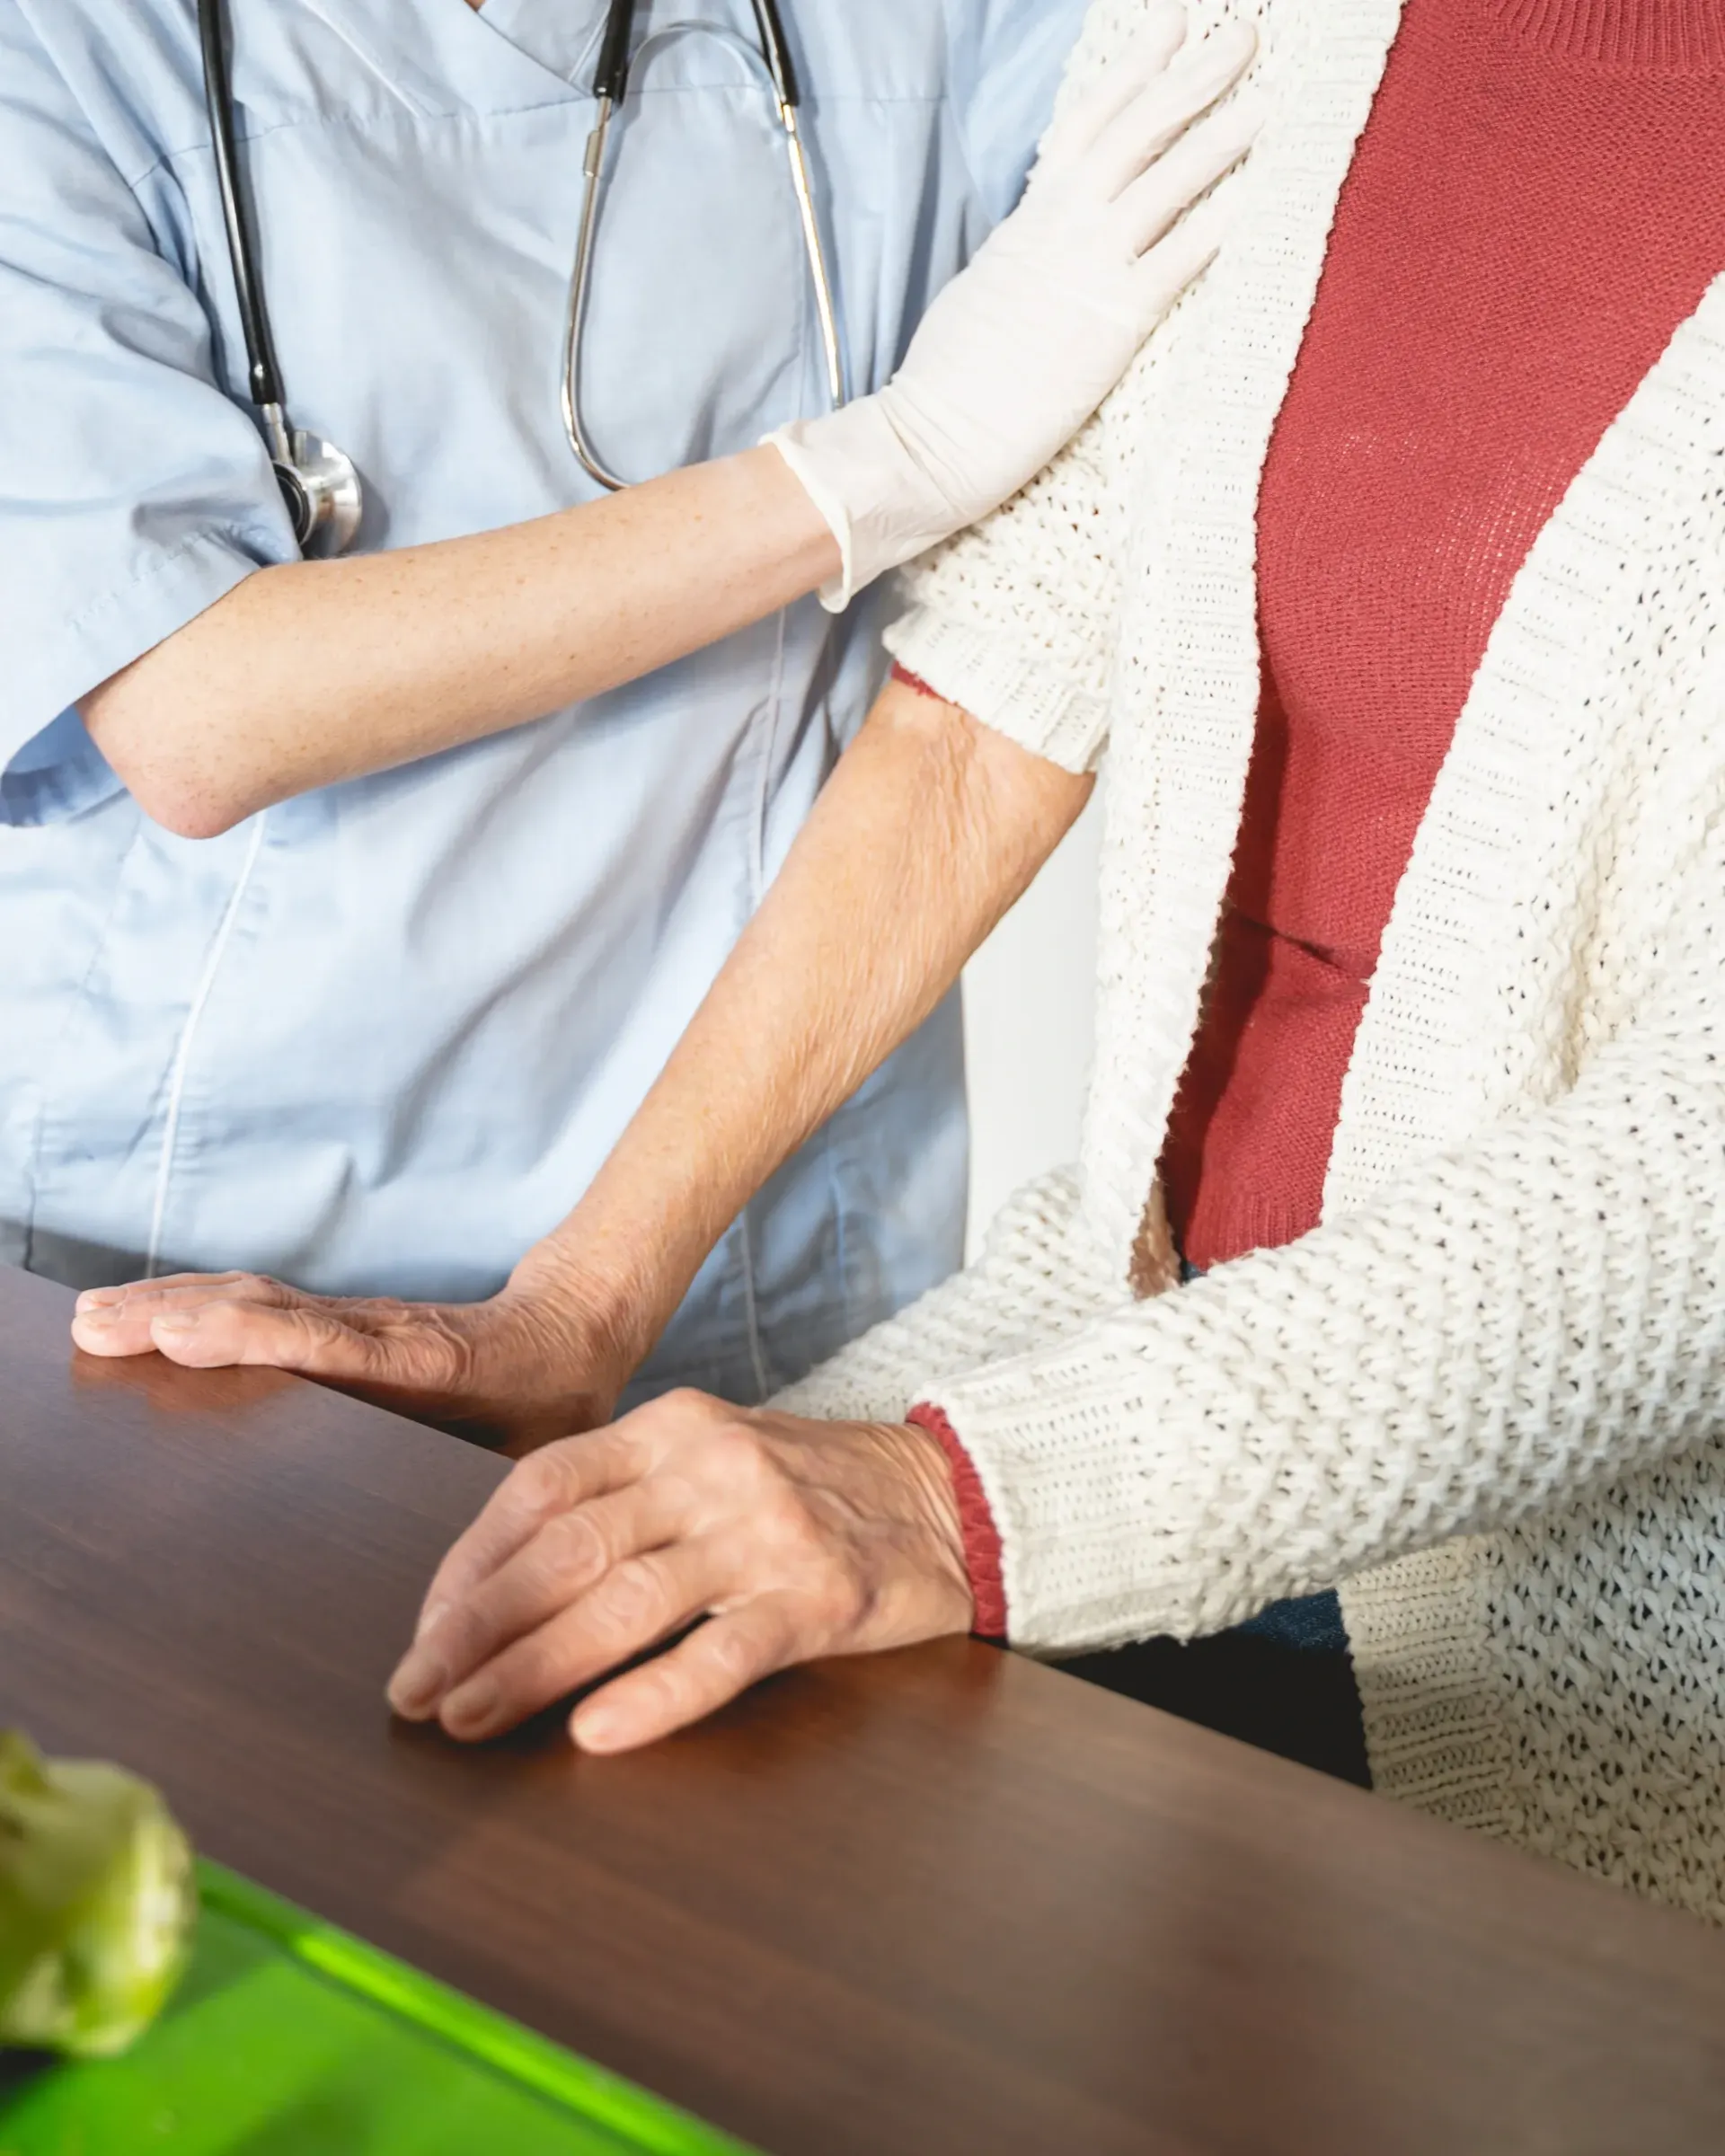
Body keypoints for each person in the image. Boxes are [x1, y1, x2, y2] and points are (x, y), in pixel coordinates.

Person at [78, 0, 1725, 1925]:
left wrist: (957, 1499)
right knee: (484, 1864)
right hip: (1102, 1374)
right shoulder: (1264, 20)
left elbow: (1695, 1168)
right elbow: (985, 713)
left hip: (1543, 1585)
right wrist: (573, 1316)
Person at [3, 0, 1256, 1426]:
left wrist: (594, 1292)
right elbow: (196, 710)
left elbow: (1026, 665)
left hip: (744, 1260)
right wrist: (883, 467)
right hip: (193, 1288)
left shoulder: (935, 29)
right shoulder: (68, 45)